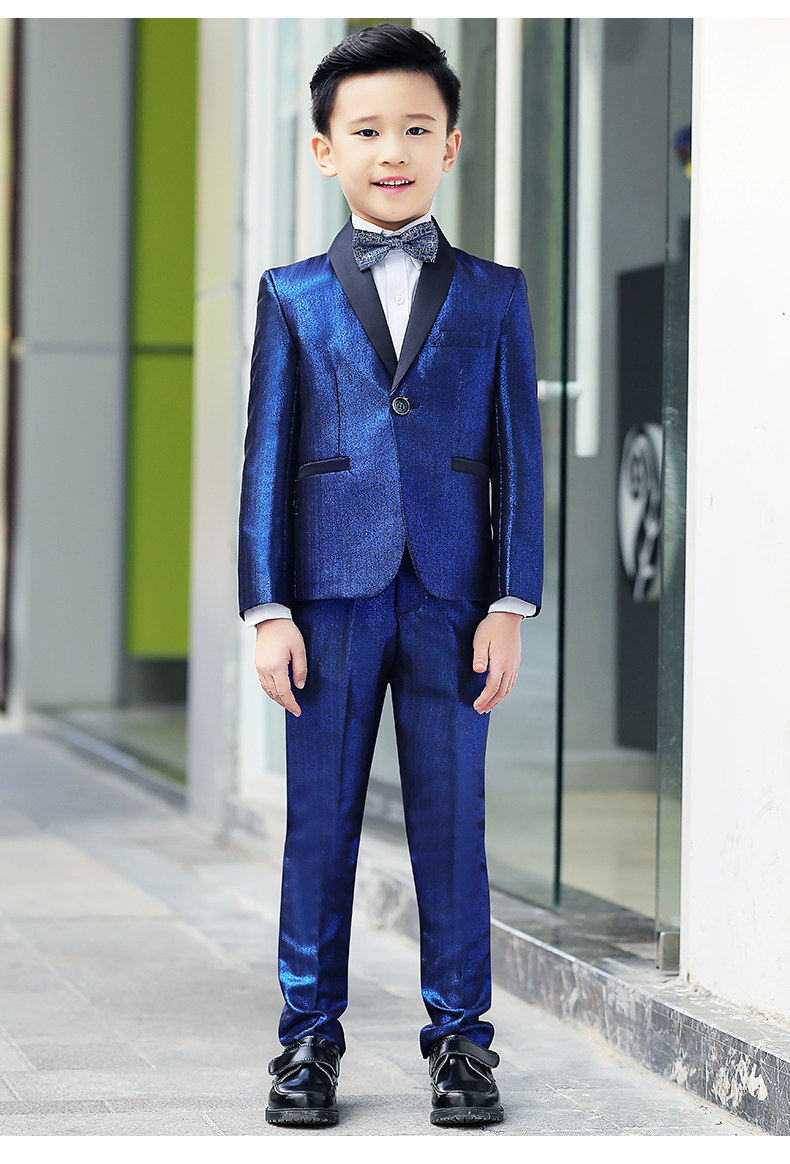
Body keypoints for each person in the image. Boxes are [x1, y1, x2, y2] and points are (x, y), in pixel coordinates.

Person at [237, 23, 543, 1129]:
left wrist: (511, 601)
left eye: (416, 128)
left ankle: (462, 1044)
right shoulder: (290, 295)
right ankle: (306, 1044)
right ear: (325, 150)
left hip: (455, 599)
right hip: (327, 597)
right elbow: (266, 457)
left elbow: (519, 455)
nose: (392, 150)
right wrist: (266, 606)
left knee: (451, 828)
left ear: (451, 145)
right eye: (366, 131)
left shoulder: (496, 295)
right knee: (319, 825)